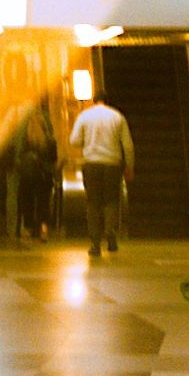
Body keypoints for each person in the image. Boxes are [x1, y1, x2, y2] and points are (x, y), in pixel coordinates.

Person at [69, 89, 133, 256]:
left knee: (93, 203)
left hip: (92, 164)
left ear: (94, 101)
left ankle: (95, 243)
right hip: (112, 164)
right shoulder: (117, 117)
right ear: (107, 101)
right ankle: (111, 236)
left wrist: (87, 141)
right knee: (111, 201)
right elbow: (127, 145)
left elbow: (74, 140)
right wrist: (129, 166)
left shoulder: (84, 116)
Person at [1, 98, 58, 242]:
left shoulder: (14, 113)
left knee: (24, 196)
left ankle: (22, 229)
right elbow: (52, 138)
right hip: (44, 165)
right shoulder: (44, 116)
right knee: (43, 198)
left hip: (23, 163)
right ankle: (43, 229)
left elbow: (1, 136)